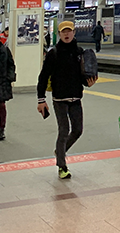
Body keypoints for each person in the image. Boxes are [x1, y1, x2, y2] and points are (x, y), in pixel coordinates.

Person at [37, 20, 97, 179]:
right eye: (63, 31)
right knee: (63, 131)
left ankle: (60, 151)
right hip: (59, 99)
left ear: (74, 32)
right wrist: (41, 99)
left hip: (76, 98)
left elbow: (83, 75)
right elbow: (43, 77)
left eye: (69, 31)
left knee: (77, 130)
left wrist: (88, 82)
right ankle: (62, 166)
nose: (66, 34)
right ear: (59, 33)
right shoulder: (54, 53)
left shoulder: (80, 52)